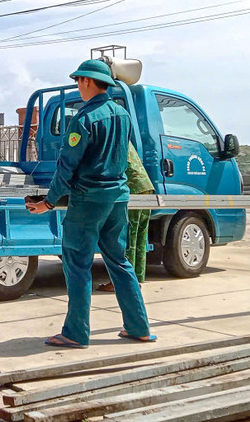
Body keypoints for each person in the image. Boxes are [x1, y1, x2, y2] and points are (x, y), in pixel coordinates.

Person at [26, 59, 154, 348]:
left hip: (88, 200)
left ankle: (75, 332)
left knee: (78, 264)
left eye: (78, 81)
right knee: (120, 262)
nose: (77, 86)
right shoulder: (122, 115)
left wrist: (48, 201)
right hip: (118, 198)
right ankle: (139, 327)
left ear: (87, 82)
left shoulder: (82, 120)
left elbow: (67, 166)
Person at [97, 142, 155, 292]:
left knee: (127, 236)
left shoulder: (111, 139)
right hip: (146, 186)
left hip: (133, 188)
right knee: (140, 236)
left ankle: (121, 282)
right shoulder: (122, 136)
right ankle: (137, 280)